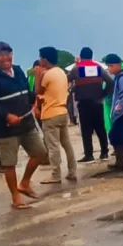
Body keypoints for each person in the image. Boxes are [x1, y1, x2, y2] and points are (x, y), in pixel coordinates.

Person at [0, 42, 49, 210]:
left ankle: (24, 183)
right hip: (6, 129)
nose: (6, 58)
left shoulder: (17, 71)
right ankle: (15, 197)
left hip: (27, 124)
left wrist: (35, 99)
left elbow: (24, 92)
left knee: (40, 153)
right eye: (1, 55)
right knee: (9, 164)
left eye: (8, 54)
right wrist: (6, 116)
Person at [36, 47, 77, 184]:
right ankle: (72, 171)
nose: (39, 60)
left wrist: (37, 75)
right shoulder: (61, 72)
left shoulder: (46, 75)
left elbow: (38, 91)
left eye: (40, 58)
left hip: (50, 114)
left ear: (45, 59)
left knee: (53, 146)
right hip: (62, 112)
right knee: (66, 143)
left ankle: (56, 174)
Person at [68, 47, 113, 163]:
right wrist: (103, 94)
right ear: (92, 56)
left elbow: (68, 78)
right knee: (100, 127)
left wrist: (76, 63)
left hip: (84, 102)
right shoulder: (98, 67)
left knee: (86, 129)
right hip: (97, 102)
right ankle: (104, 152)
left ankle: (89, 155)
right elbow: (110, 81)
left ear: (81, 56)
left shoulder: (77, 68)